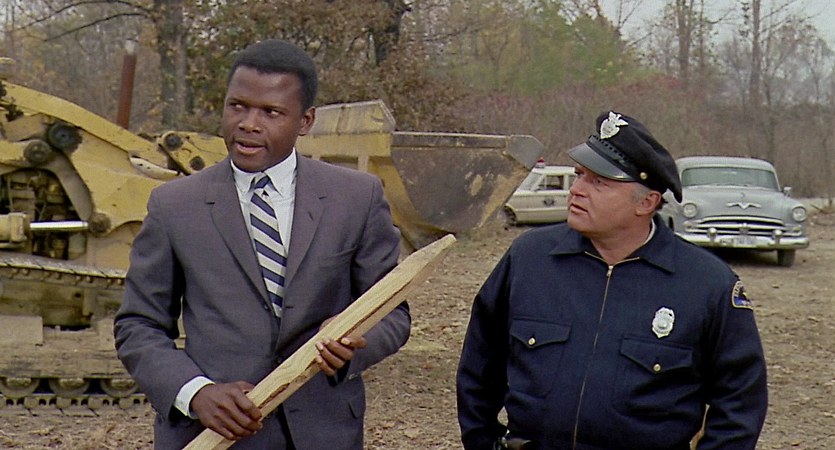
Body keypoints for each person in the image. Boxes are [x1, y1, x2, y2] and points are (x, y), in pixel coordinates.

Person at [114, 39, 410, 450]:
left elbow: (393, 313)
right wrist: (195, 393)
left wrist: (354, 343)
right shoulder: (174, 206)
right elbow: (138, 325)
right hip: (215, 436)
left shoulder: (357, 198)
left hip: (324, 433)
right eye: (237, 106)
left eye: (271, 112)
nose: (249, 124)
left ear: (305, 121)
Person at [456, 111, 768, 450]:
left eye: (599, 182)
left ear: (646, 202)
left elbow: (739, 405)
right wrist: (483, 442)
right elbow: (479, 367)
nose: (576, 190)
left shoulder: (706, 284)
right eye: (579, 175)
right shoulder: (529, 259)